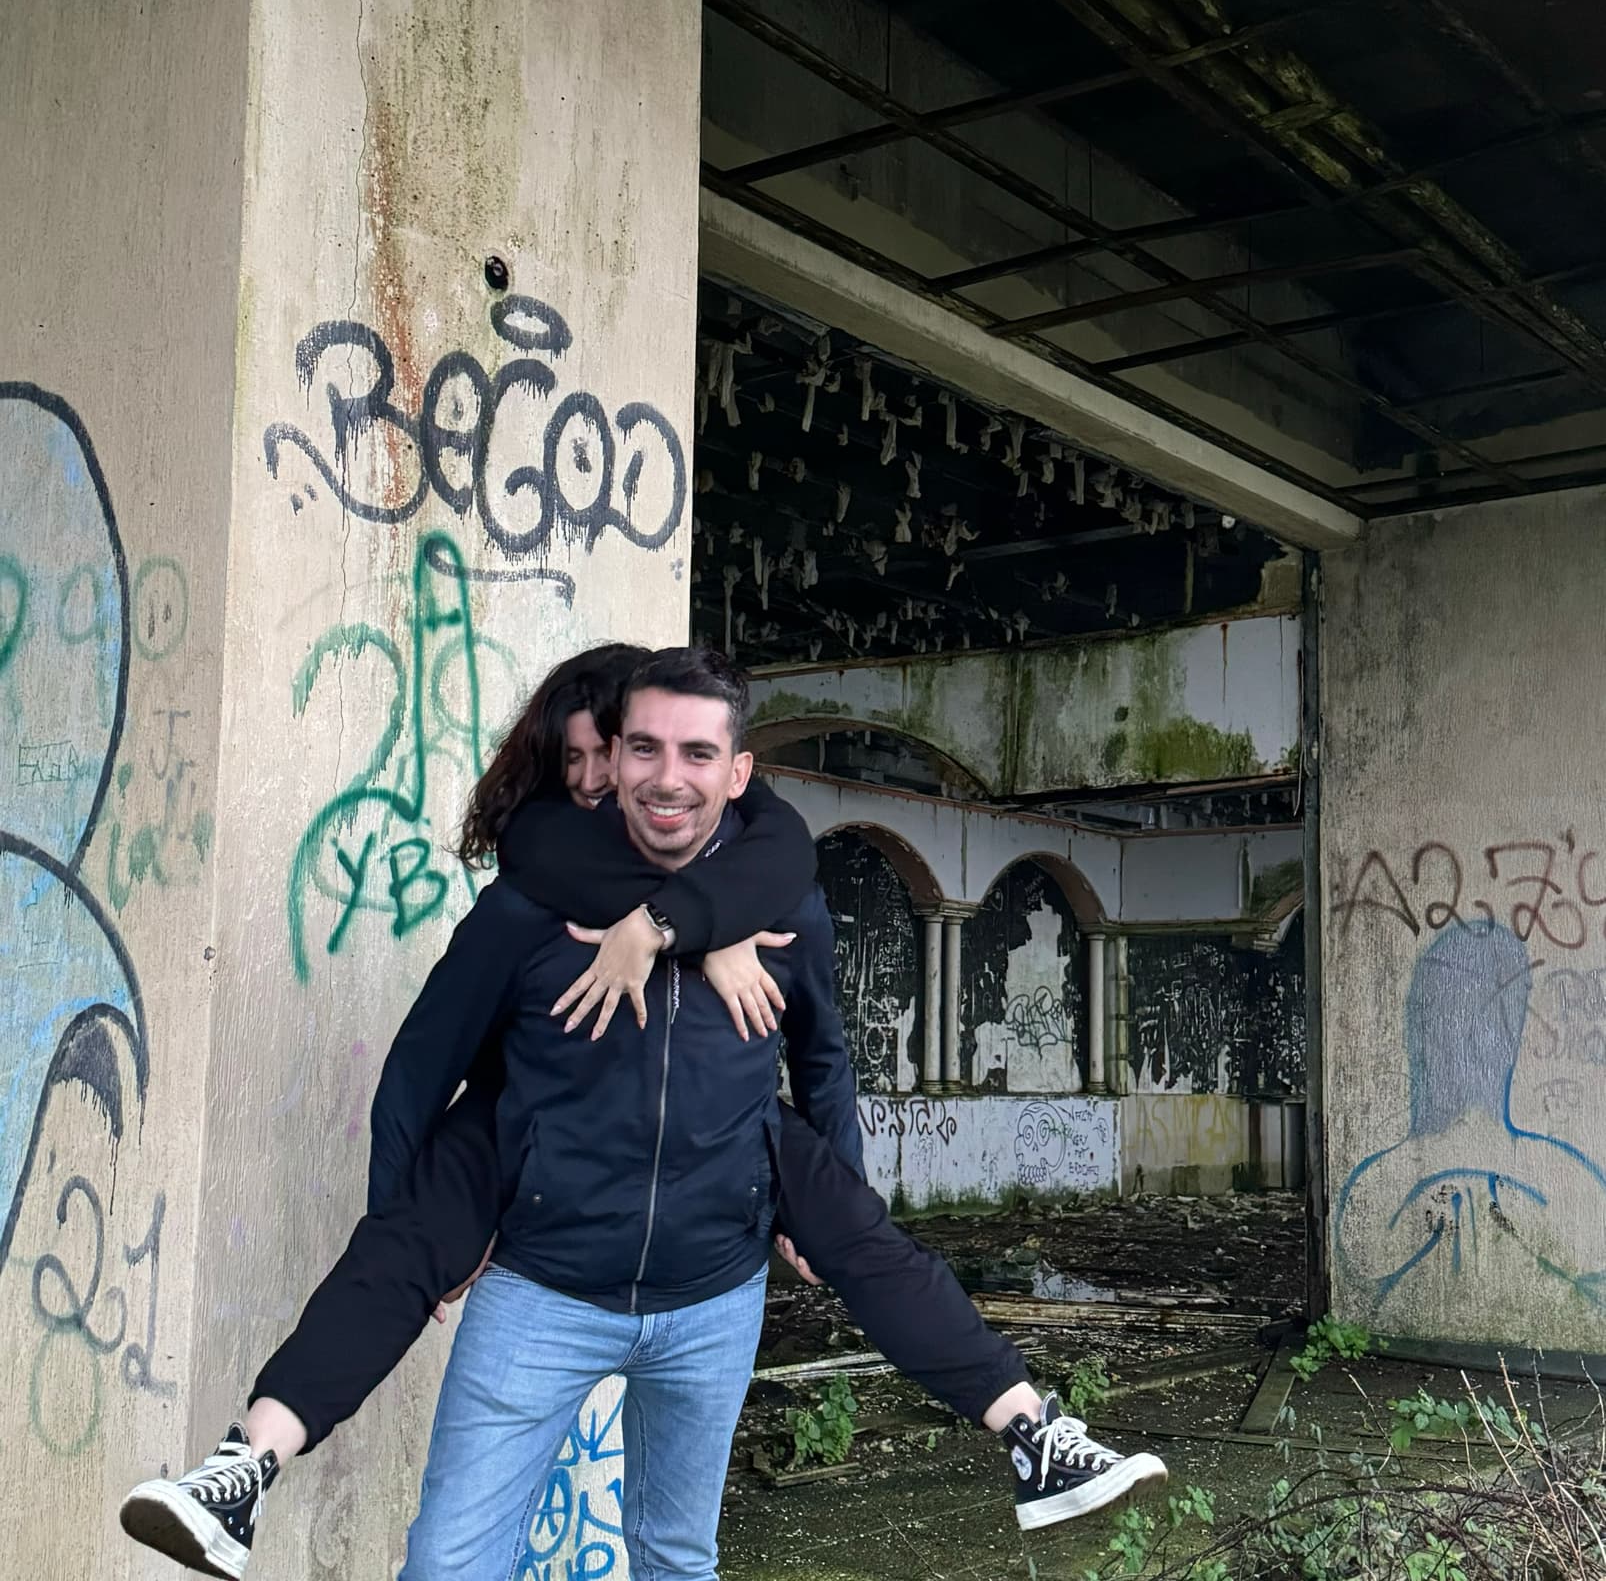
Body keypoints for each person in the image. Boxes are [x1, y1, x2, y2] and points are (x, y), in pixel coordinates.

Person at [121, 645, 1162, 1580]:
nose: (669, 777)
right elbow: (420, 1067)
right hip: (545, 1292)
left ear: (737, 772)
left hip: (710, 1295)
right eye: (643, 751)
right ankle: (243, 1469)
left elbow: (824, 1059)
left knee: (679, 1551)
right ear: (613, 760)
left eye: (699, 754)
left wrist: (820, 1184)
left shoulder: (780, 904)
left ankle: (1035, 1433)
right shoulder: (531, 903)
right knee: (449, 1564)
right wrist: (424, 1238)